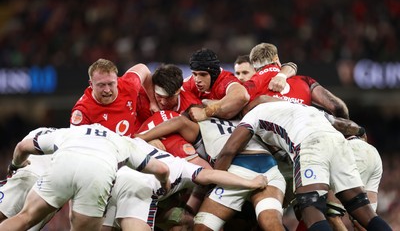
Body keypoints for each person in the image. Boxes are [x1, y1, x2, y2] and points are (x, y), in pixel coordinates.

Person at [214, 97, 393, 231]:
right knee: (362, 209)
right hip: (339, 143)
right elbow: (343, 124)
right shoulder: (300, 106)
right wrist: (361, 132)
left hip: (310, 145)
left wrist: (216, 179)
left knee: (310, 209)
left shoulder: (253, 113)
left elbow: (229, 150)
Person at [0, 124, 172, 231]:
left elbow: (22, 147)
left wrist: (15, 165)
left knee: (25, 217)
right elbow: (162, 169)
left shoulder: (69, 133)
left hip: (63, 165)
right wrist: (165, 184)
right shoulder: (122, 141)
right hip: (96, 173)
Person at [102, 135, 268, 231]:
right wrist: (250, 183)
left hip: (109, 183)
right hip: (139, 190)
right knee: (184, 220)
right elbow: (212, 175)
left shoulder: (135, 141)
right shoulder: (182, 167)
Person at [70, 58, 158, 136]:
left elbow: (143, 68)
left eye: (111, 84)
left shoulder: (129, 85)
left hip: (133, 142)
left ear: (117, 80)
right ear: (91, 84)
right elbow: (75, 143)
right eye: (101, 85)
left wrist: (153, 102)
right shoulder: (82, 112)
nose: (107, 90)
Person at [0, 128, 56, 231]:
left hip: (27, 176)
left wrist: (14, 165)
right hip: (50, 192)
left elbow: (21, 147)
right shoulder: (79, 145)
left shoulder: (42, 130)